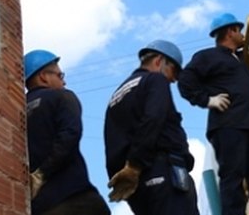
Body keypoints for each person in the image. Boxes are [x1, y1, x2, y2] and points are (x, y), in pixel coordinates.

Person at [178, 13, 249, 215]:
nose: (242, 34)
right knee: (233, 179)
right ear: (230, 32)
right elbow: (185, 81)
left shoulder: (241, 59)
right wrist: (207, 100)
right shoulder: (208, 57)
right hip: (230, 127)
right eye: (239, 30)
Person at [104, 40, 198, 215]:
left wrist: (127, 172)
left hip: (133, 186)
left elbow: (112, 141)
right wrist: (135, 165)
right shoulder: (155, 80)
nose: (173, 79)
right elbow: (153, 119)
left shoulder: (115, 97)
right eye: (174, 71)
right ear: (159, 61)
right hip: (162, 171)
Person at [24, 50, 110, 215]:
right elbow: (70, 135)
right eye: (60, 75)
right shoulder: (61, 97)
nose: (64, 82)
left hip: (38, 206)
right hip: (75, 198)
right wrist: (42, 173)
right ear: (43, 76)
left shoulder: (17, 111)